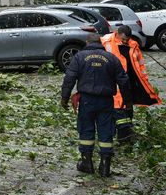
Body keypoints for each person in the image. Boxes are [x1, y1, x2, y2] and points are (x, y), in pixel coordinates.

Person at [61, 33, 129, 177]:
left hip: (87, 100)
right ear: (101, 43)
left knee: (86, 130)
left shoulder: (79, 57)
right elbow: (123, 80)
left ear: (87, 42)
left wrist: (64, 98)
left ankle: (87, 163)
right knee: (106, 131)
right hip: (106, 101)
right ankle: (105, 167)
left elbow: (69, 78)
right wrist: (127, 101)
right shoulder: (111, 58)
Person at [100, 25, 159, 144]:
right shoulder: (106, 41)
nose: (125, 42)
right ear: (117, 34)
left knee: (127, 109)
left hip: (129, 82)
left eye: (127, 39)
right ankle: (122, 138)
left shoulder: (133, 44)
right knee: (118, 109)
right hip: (114, 83)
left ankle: (125, 135)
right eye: (123, 39)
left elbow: (140, 64)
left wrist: (143, 80)